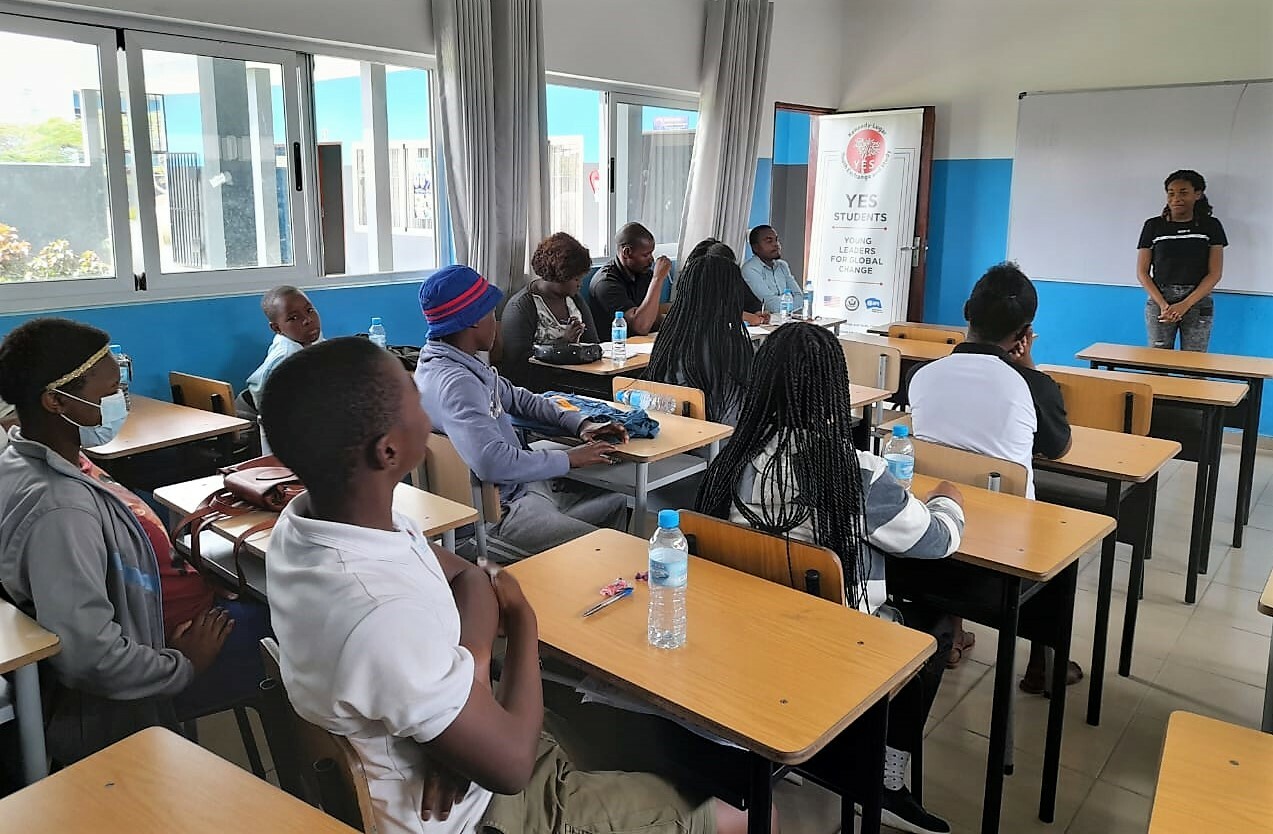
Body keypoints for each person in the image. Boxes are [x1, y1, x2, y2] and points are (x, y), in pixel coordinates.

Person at [262, 336, 756, 834]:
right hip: (474, 814)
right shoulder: (379, 615)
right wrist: (521, 620)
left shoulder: (313, 526)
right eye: (412, 395)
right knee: (747, 815)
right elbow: (513, 770)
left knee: (643, 738)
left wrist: (471, 682)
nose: (424, 399)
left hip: (466, 744)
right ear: (387, 451)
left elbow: (469, 575)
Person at [696, 322, 964, 834]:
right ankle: (885, 783)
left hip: (745, 637)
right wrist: (949, 499)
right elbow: (937, 540)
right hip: (831, 649)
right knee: (932, 630)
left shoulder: (728, 461)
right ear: (834, 391)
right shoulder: (854, 472)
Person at [0, 318, 271, 765]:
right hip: (165, 654)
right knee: (294, 628)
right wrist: (181, 665)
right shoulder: (61, 511)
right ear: (55, 401)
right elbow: (89, 656)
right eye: (110, 390)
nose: (121, 400)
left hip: (164, 620)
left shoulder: (38, 458)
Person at [908, 262, 1078, 692]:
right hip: (1007, 551)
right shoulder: (1031, 386)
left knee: (955, 479)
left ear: (968, 315)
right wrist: (1030, 365)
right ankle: (1042, 666)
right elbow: (1058, 447)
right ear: (1025, 333)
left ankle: (950, 633)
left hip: (932, 534)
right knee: (1061, 528)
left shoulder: (921, 376)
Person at [415, 265, 630, 556]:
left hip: (519, 493)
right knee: (610, 549)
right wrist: (569, 458)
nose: (496, 322)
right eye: (492, 312)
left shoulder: (448, 362)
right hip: (496, 518)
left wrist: (580, 423)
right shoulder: (457, 383)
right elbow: (492, 462)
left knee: (616, 502)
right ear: (474, 320)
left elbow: (519, 399)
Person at [645, 254, 755, 426]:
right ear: (730, 296)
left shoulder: (669, 338)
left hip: (675, 432)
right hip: (719, 435)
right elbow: (737, 413)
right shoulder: (732, 345)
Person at [1136, 169, 1227, 352]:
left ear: (1197, 194)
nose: (1176, 198)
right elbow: (1142, 272)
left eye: (1183, 193)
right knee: (1158, 359)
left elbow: (1215, 273)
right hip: (1160, 300)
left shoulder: (1211, 226)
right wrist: (1164, 305)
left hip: (1197, 300)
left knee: (1194, 360)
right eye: (1171, 193)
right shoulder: (1153, 225)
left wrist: (1185, 304)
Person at [497, 232, 599, 388]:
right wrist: (563, 343)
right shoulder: (522, 307)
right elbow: (518, 367)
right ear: (559, 276)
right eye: (576, 279)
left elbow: (594, 343)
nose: (580, 284)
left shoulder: (574, 300)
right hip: (541, 388)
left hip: (579, 380)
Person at [245, 285, 324, 410]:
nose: (307, 320)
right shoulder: (286, 357)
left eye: (309, 310)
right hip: (253, 411)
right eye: (294, 318)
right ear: (277, 328)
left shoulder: (309, 337)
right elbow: (267, 402)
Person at [588, 222, 671, 336]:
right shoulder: (605, 283)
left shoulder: (643, 273)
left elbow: (653, 320)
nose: (651, 259)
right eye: (645, 255)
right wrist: (657, 279)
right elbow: (640, 327)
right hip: (617, 345)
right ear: (627, 252)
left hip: (643, 343)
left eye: (651, 253)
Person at [684, 237, 768, 326]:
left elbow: (751, 302)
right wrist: (744, 316)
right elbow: (706, 310)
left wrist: (757, 312)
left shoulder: (731, 278)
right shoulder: (695, 282)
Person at [741, 225, 805, 315]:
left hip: (787, 319)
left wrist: (785, 307)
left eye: (776, 240)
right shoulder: (750, 269)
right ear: (756, 248)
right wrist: (790, 304)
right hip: (765, 322)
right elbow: (772, 305)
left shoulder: (782, 266)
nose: (776, 244)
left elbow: (800, 298)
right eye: (769, 241)